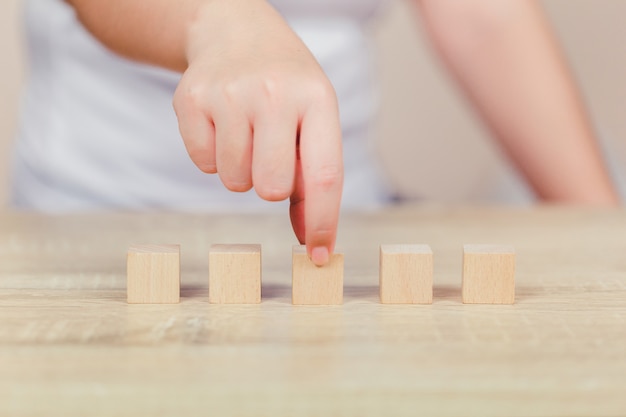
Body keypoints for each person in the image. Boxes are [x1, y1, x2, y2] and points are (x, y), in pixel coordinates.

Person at [10, 0, 619, 266]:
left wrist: (603, 237)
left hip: (347, 227)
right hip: (97, 217)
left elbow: (482, 13)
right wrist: (217, 21)